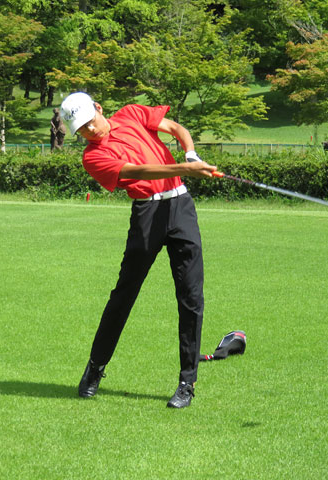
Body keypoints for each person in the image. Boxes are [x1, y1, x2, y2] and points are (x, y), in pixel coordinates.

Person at [60, 92, 217, 408]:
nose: (89, 131)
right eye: (82, 130)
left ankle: (187, 383)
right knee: (124, 295)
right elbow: (137, 171)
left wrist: (190, 155)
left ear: (99, 109)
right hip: (147, 214)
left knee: (191, 297)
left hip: (181, 208)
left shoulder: (132, 114)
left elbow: (176, 129)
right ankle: (96, 367)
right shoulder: (92, 157)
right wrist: (185, 169)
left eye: (90, 122)